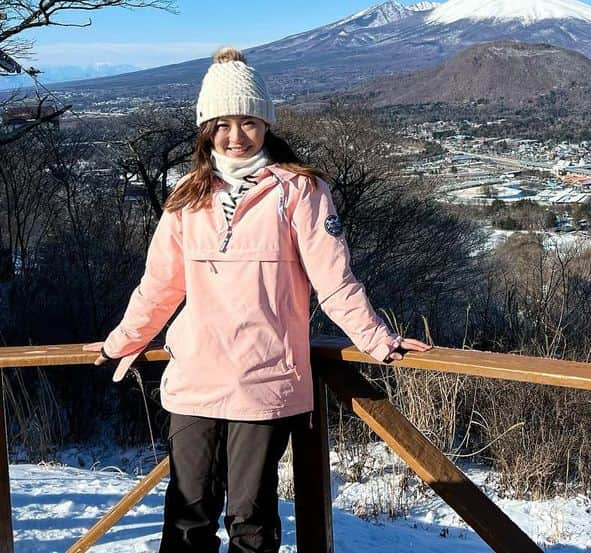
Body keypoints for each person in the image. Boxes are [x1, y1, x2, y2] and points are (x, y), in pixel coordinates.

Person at [84, 47, 430, 552]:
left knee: (250, 518)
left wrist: (377, 339)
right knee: (187, 516)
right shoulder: (186, 195)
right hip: (195, 377)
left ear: (266, 123)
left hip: (264, 379)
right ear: (206, 128)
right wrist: (122, 342)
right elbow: (159, 286)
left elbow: (333, 279)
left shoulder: (301, 190)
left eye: (247, 121)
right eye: (222, 123)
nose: (235, 135)